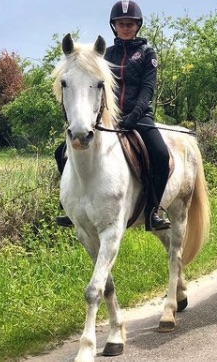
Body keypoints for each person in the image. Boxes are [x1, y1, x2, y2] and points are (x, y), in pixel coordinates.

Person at [54, 0, 172, 231]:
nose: (125, 27)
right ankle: (70, 208)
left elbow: (147, 89)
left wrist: (134, 115)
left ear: (137, 26)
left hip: (139, 117)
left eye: (130, 23)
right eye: (121, 24)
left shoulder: (147, 53)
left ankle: (153, 211)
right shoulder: (104, 55)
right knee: (61, 152)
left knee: (160, 154)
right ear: (114, 26)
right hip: (107, 119)